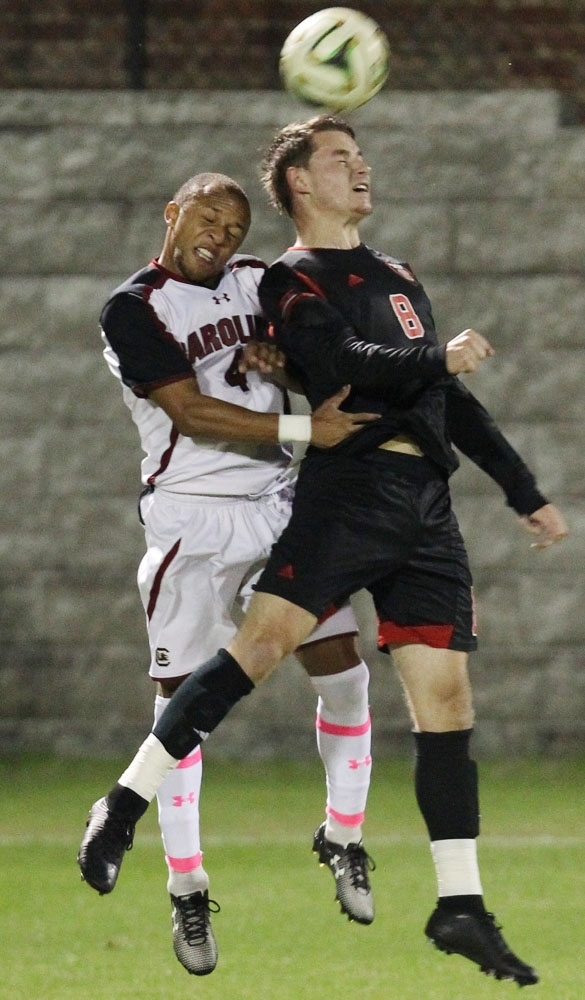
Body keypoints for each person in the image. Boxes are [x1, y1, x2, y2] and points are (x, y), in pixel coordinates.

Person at [78, 119, 568, 986]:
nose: (361, 166)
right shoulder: (280, 280)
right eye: (340, 158)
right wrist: (408, 363)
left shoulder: (384, 273)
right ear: (299, 182)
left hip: (405, 506)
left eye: (233, 229)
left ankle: (451, 900)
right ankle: (132, 814)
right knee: (246, 660)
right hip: (285, 502)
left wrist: (521, 489)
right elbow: (343, 358)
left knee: (436, 699)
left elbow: (430, 395)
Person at [86, 171, 381, 977]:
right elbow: (189, 410)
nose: (220, 233)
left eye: (235, 223)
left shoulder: (260, 282)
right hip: (193, 517)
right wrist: (302, 424)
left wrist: (285, 360)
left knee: (343, 671)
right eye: (206, 216)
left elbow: (324, 360)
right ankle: (187, 887)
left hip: (281, 503)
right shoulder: (132, 308)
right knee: (183, 710)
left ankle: (343, 835)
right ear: (170, 211)